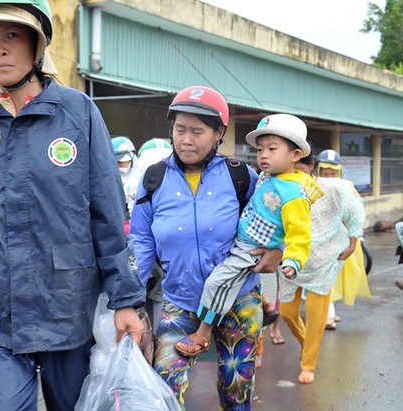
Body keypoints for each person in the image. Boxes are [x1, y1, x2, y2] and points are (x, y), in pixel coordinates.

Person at [0, 1, 147, 409]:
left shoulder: (78, 113)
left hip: (68, 306)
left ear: (37, 44)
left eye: (12, 36)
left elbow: (106, 213)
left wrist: (125, 300)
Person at [130, 85, 283, 409]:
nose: (186, 139)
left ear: (219, 133)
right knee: (165, 383)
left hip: (238, 300)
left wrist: (278, 251)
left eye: (197, 131)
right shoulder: (153, 179)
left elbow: (276, 217)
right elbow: (141, 240)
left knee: (235, 388)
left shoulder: (241, 177)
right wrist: (130, 298)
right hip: (180, 301)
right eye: (180, 129)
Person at [173, 113, 323, 357]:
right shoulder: (266, 176)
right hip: (242, 240)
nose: (263, 155)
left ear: (295, 155)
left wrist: (292, 259)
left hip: (252, 249)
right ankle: (261, 303)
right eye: (260, 149)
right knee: (226, 281)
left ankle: (202, 334)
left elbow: (300, 233)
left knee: (218, 283)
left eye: (272, 149)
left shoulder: (294, 194)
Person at [279, 151, 365, 384]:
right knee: (287, 312)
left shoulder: (335, 187)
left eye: (300, 169)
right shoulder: (279, 185)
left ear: (311, 166)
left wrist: (353, 241)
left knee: (317, 315)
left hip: (325, 257)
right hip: (292, 258)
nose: (296, 175)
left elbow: (355, 211)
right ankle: (308, 343)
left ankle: (309, 363)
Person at [316, 149, 371, 330]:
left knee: (333, 278)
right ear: (319, 171)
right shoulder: (314, 186)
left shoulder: (347, 186)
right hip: (321, 241)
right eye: (326, 173)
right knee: (324, 279)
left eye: (333, 173)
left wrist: (355, 237)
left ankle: (329, 312)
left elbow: (357, 211)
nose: (330, 177)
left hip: (342, 241)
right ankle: (327, 317)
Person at [112, 136, 142, 218]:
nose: (119, 165)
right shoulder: (107, 177)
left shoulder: (141, 176)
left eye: (122, 162)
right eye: (116, 162)